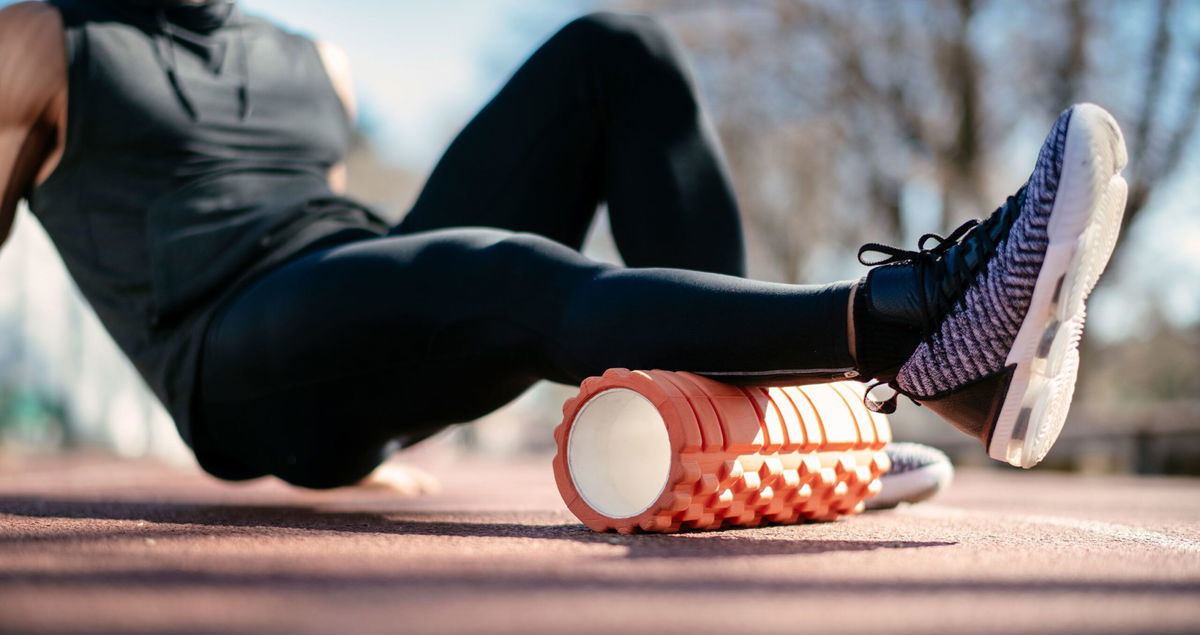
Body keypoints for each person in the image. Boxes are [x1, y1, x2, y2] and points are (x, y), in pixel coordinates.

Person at [0, 0, 1127, 492]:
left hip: (348, 306)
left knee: (615, 50)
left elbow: (355, 262)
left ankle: (765, 430)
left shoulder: (312, 61)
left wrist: (377, 417)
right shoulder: (42, 41)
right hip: (230, 355)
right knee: (495, 272)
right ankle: (909, 324)